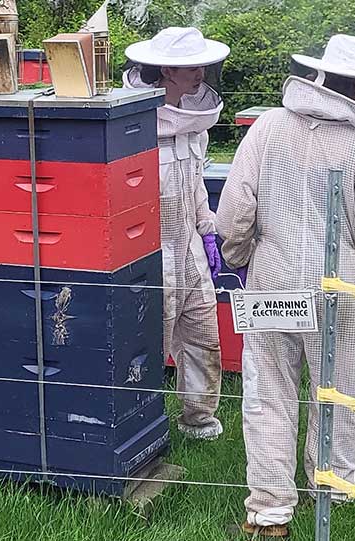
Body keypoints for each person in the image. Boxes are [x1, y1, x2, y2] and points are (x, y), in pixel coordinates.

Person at [215, 35, 355, 537]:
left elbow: (233, 212)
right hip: (341, 289)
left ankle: (271, 507)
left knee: (267, 393)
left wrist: (239, 258)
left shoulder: (267, 129)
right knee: (336, 391)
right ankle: (332, 488)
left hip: (271, 279)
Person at [122, 27, 228, 440]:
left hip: (189, 246)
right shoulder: (134, 123)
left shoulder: (194, 124)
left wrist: (207, 229)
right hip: (151, 249)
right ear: (166, 70)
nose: (200, 73)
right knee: (150, 337)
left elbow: (196, 184)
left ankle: (198, 418)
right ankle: (138, 423)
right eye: (190, 67)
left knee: (204, 334)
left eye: (201, 65)